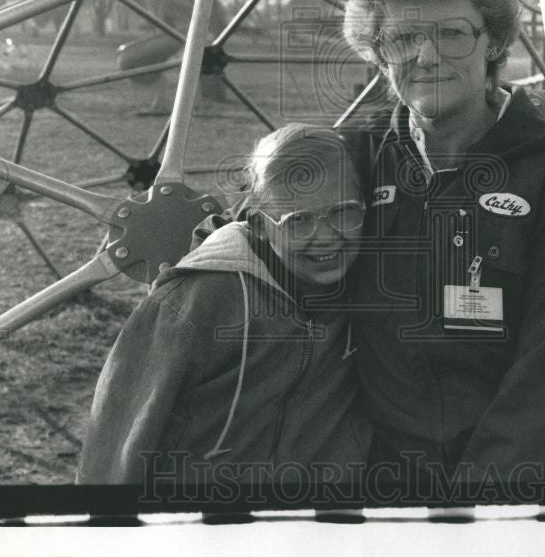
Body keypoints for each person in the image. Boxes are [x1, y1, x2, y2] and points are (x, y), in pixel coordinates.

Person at [340, 0, 545, 501]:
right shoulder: (359, 159)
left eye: (452, 33)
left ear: (493, 42)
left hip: (535, 475)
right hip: (391, 477)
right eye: (404, 36)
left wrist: (474, 510)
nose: (426, 56)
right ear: (377, 49)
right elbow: (262, 236)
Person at [76, 124, 371, 499]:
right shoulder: (196, 301)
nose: (327, 236)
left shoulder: (360, 287)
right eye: (298, 221)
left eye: (343, 212)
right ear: (261, 226)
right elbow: (118, 441)